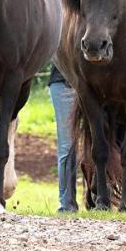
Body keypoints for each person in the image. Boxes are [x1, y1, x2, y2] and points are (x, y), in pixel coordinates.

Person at [49, 64, 78, 212]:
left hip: (93, 83)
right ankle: (66, 204)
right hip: (64, 83)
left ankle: (100, 200)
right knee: (68, 146)